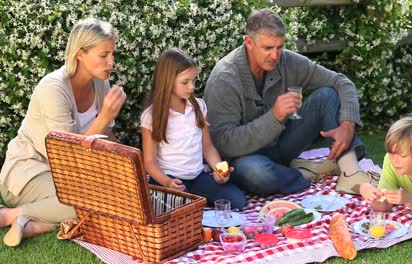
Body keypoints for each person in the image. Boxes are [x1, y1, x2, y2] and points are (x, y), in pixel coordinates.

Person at [203, 8, 378, 196]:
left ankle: (350, 172)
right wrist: (275, 116)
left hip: (282, 146)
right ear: (249, 42)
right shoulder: (225, 77)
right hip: (244, 159)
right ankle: (306, 173)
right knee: (256, 174)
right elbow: (224, 143)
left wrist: (348, 125)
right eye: (268, 48)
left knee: (327, 95)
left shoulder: (287, 61)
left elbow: (342, 82)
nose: (275, 56)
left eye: (280, 47)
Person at [0, 18, 126, 247]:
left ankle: (33, 224)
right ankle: (9, 214)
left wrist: (128, 167)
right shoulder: (53, 88)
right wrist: (105, 116)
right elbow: (67, 155)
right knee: (94, 200)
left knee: (121, 196)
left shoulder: (100, 84)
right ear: (80, 53)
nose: (111, 62)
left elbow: (105, 137)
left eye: (112, 54)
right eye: (103, 55)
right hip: (29, 172)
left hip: (69, 177)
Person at [140, 48, 246, 210]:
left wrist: (220, 170)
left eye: (194, 81)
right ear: (167, 81)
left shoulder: (198, 106)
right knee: (185, 210)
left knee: (237, 200)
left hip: (197, 176)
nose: (191, 87)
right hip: (168, 179)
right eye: (185, 82)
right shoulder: (152, 116)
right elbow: (149, 161)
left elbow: (208, 147)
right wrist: (167, 182)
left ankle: (194, 199)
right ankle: (185, 201)